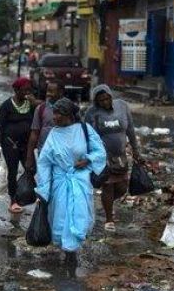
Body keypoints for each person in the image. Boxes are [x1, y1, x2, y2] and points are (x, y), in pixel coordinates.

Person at [35, 98, 106, 254]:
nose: (54, 117)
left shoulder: (84, 129)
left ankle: (72, 251)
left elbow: (100, 152)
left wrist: (88, 160)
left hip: (79, 181)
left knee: (79, 215)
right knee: (60, 217)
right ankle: (65, 249)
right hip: (60, 184)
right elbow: (44, 162)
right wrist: (43, 189)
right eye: (54, 113)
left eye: (58, 113)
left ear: (68, 115)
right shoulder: (54, 134)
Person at [84, 84, 142, 232]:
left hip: (121, 156)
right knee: (108, 186)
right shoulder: (92, 113)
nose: (105, 102)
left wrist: (136, 150)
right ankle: (109, 219)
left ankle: (106, 204)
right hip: (103, 157)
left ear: (111, 96)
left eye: (107, 98)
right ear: (96, 101)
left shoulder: (122, 106)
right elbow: (87, 135)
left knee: (122, 187)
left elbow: (130, 129)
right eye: (101, 100)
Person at [0, 77, 36, 213]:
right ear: (16, 90)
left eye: (28, 90)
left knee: (30, 169)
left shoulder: (30, 104)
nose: (27, 93)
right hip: (9, 144)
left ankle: (25, 194)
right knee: (12, 172)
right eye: (24, 90)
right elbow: (1, 126)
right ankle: (13, 199)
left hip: (26, 145)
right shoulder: (6, 105)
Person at [26, 82, 64, 173]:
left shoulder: (69, 110)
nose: (48, 94)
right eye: (47, 91)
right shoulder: (40, 109)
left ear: (60, 92)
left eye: (51, 91)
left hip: (63, 155)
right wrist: (29, 157)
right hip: (43, 153)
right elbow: (34, 133)